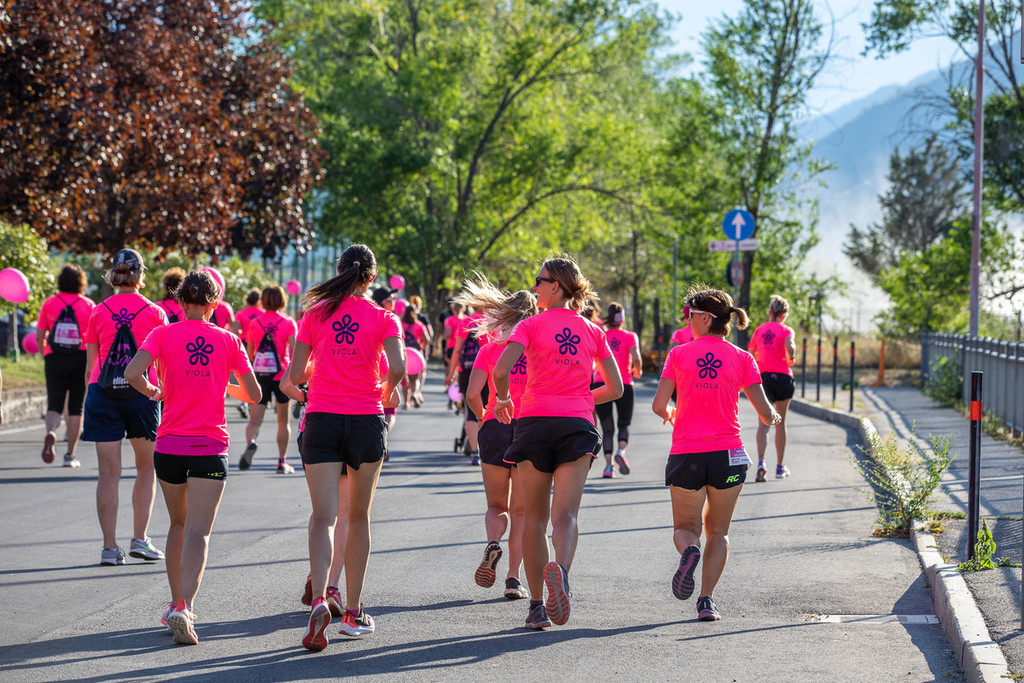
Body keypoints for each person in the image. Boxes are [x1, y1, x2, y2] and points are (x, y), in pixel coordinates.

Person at [124, 270, 261, 645]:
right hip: (210, 448)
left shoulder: (162, 333)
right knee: (199, 533)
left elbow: (132, 372)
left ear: (181, 302)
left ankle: (174, 603)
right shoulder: (229, 340)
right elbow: (254, 394)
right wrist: (222, 386)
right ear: (214, 304)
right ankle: (185, 606)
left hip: (169, 446)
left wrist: (154, 391)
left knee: (178, 525)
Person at [492, 256, 623, 630]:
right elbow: (615, 388)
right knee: (566, 516)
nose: (534, 287)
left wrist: (503, 399)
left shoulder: (530, 325)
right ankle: (561, 572)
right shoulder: (593, 330)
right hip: (576, 425)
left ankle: (536, 607)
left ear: (556, 286)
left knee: (534, 519)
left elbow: (501, 371)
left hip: (534, 422)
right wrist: (580, 399)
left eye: (539, 280)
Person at [290, 244, 404, 650]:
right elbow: (398, 367)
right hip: (365, 419)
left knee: (323, 518)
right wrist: (385, 390)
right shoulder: (385, 317)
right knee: (358, 517)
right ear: (371, 279)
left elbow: (294, 374)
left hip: (322, 417)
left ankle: (320, 598)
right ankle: (353, 613)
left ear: (339, 270)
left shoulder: (315, 314)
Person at [651, 287, 780, 622]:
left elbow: (659, 405)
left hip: (687, 453)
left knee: (685, 528)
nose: (688, 321)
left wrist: (671, 414)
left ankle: (689, 551)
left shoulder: (678, 354)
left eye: (691, 315)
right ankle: (706, 601)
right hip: (729, 455)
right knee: (719, 532)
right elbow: (765, 413)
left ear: (706, 318)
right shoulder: (743, 358)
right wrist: (775, 418)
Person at [82, 248, 169, 566]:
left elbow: (91, 365)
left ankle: (109, 548)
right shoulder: (155, 312)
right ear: (140, 275)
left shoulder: (98, 311)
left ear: (112, 276)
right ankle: (140, 539)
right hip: (142, 394)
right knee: (146, 468)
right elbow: (163, 363)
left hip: (102, 392)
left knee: (108, 472)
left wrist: (90, 397)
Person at [460, 276, 537, 600]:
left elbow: (471, 394)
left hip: (494, 425)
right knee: (521, 511)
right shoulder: (536, 351)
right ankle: (513, 579)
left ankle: (493, 542)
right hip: (527, 427)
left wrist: (483, 417)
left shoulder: (489, 350)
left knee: (496, 505)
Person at [35, 263, 95, 468]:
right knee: (76, 407)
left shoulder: (50, 303)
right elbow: (94, 338)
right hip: (80, 357)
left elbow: (40, 335)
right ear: (81, 282)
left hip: (55, 358)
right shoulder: (88, 305)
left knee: (54, 404)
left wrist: (46, 354)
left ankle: (51, 431)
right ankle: (70, 455)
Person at [240, 285, 298, 474]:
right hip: (281, 376)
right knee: (283, 422)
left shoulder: (254, 323)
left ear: (263, 301)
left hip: (260, 375)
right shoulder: (289, 322)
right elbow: (295, 352)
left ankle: (251, 442)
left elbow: (249, 354)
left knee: (254, 421)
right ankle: (282, 462)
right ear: (282, 300)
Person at [747, 294, 797, 481]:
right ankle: (779, 467)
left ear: (770, 313)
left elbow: (751, 352)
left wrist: (759, 359)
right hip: (783, 378)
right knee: (780, 423)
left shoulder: (760, 329)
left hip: (764, 378)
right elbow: (790, 345)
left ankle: (761, 462)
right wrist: (792, 357)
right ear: (784, 315)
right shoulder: (786, 329)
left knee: (763, 424)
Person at [596, 302, 642, 478]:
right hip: (624, 384)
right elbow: (636, 357)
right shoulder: (630, 336)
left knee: (607, 429)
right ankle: (620, 452)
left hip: (600, 383)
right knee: (624, 424)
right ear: (622, 319)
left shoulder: (601, 334)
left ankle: (608, 467)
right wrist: (638, 370)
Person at [400, 304, 430, 409]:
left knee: (405, 380)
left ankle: (406, 402)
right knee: (415, 380)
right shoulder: (419, 325)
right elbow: (427, 339)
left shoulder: (400, 324)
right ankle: (414, 393)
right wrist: (421, 347)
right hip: (416, 355)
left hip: (404, 354)